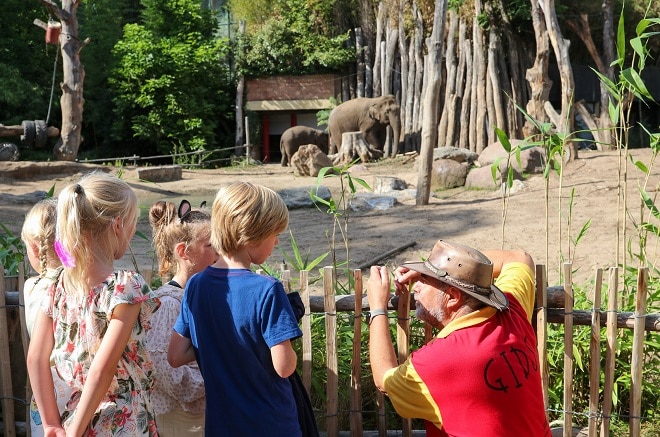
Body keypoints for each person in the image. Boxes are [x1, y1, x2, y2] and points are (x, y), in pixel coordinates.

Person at [366, 239, 551, 437]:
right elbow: (519, 258)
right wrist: (461, 265)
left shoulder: (437, 360)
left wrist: (377, 305)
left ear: (453, 297)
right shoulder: (513, 311)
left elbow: (383, 379)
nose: (416, 286)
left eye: (425, 280)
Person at [26, 171, 160, 436]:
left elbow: (35, 358)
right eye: (133, 224)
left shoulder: (55, 286)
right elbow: (102, 369)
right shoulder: (124, 288)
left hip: (67, 417)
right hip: (118, 423)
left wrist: (52, 424)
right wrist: (76, 431)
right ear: (118, 225)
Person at [168, 181, 303, 436]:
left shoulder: (196, 285)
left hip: (222, 425)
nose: (276, 240)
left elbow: (175, 356)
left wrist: (221, 345)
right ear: (253, 235)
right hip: (271, 425)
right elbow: (284, 367)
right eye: (274, 234)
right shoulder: (267, 289)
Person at [147, 200, 217, 435]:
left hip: (202, 415)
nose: (219, 252)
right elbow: (167, 371)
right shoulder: (168, 303)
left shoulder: (202, 296)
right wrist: (216, 381)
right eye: (210, 245)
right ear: (183, 252)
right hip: (181, 420)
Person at [21, 198, 71, 437]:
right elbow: (68, 267)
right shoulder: (71, 285)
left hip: (43, 392)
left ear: (33, 248)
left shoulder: (31, 286)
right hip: (71, 389)